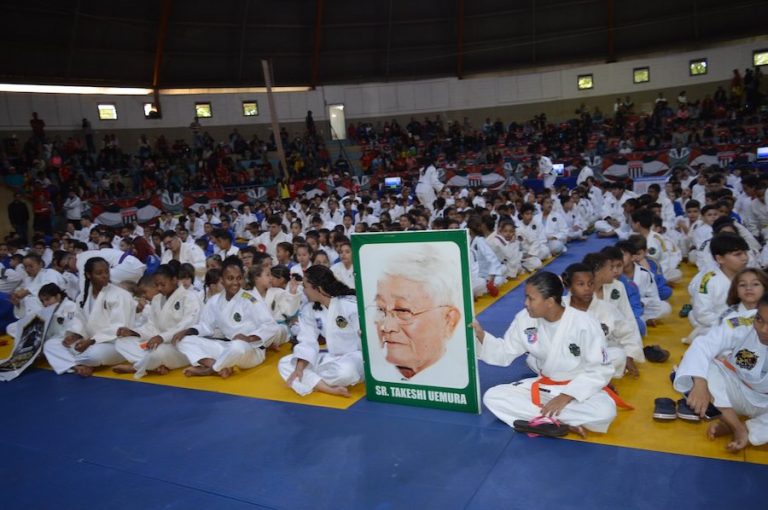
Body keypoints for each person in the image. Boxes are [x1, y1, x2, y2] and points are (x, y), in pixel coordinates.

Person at [472, 271, 620, 437]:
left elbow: (601, 370)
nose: (525, 303)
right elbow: (506, 352)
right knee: (493, 397)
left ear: (550, 301)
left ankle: (539, 419)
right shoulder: (524, 319)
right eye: (526, 297)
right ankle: (557, 421)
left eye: (531, 298)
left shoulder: (585, 323)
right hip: (545, 386)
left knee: (605, 411)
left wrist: (566, 396)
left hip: (577, 387)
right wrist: (481, 335)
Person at [673, 294, 768, 452]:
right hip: (734, 390)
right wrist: (700, 383)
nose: (764, 329)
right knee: (698, 368)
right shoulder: (743, 321)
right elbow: (703, 345)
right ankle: (737, 427)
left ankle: (749, 429)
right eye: (760, 320)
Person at [172, 256, 279, 378]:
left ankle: (212, 369)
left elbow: (270, 326)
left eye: (239, 278)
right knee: (184, 340)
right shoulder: (215, 301)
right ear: (222, 280)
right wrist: (188, 331)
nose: (235, 282)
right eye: (230, 278)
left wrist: (249, 338)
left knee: (237, 346)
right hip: (226, 347)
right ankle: (216, 364)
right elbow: (205, 327)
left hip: (249, 350)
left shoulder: (250, 299)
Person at [278, 265, 364, 396]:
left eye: (305, 287)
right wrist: (300, 368)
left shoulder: (350, 305)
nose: (304, 291)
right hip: (330, 358)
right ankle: (327, 388)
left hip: (355, 357)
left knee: (346, 372)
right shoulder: (309, 309)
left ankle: (312, 380)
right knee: (285, 363)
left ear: (318, 288)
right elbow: (307, 341)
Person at [43, 257, 136, 376]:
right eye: (99, 273)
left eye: (106, 272)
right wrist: (75, 335)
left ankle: (77, 362)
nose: (104, 276)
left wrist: (91, 341)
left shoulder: (121, 295)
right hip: (87, 341)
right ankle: (77, 366)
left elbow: (119, 326)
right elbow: (79, 320)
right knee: (51, 345)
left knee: (94, 354)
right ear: (88, 275)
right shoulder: (83, 296)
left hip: (114, 344)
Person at [112, 264, 202, 378]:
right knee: (121, 342)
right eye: (157, 285)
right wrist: (133, 332)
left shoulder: (189, 297)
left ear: (174, 280)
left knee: (158, 352)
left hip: (180, 345)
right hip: (158, 343)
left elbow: (187, 325)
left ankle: (136, 366)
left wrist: (162, 337)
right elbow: (152, 326)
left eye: (162, 284)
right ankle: (152, 365)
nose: (159, 288)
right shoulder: (157, 299)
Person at [562, 263, 644, 378]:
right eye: (581, 284)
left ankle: (580, 377)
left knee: (618, 355)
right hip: (564, 356)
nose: (587, 288)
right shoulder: (559, 307)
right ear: (569, 286)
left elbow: (628, 333)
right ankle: (590, 377)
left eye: (590, 284)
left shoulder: (606, 309)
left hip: (594, 358)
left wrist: (630, 357)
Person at [686, 233, 749, 343]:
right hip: (718, 324)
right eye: (738, 254)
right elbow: (703, 314)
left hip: (748, 323)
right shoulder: (709, 280)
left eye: (745, 253)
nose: (744, 258)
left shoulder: (751, 277)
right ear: (720, 258)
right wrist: (733, 323)